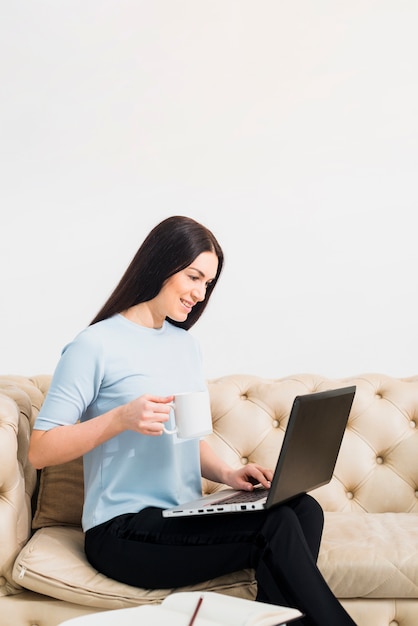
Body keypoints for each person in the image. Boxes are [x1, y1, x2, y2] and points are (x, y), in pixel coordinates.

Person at [29, 215, 357, 626]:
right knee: (273, 526)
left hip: (181, 516)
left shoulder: (185, 346)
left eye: (208, 284)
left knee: (304, 509)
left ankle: (272, 621)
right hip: (121, 533)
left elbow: (191, 436)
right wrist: (118, 419)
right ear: (161, 265)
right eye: (194, 277)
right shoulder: (93, 344)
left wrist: (230, 473)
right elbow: (40, 449)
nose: (200, 294)